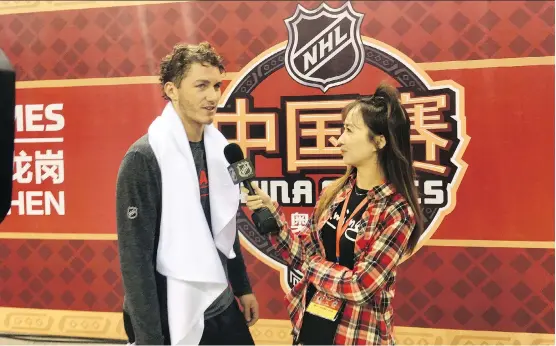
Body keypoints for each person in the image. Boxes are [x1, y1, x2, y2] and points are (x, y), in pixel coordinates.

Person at [244, 83, 424, 345]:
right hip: (313, 329)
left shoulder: (396, 211)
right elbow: (300, 253)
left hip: (356, 335)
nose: (339, 140)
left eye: (349, 130)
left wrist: (313, 265)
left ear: (379, 141)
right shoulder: (335, 192)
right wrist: (271, 213)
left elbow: (361, 285)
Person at [116, 42, 258, 345]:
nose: (213, 96)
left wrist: (242, 287)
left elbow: (224, 223)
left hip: (220, 303)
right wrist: (149, 338)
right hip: (170, 313)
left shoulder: (222, 150)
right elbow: (135, 259)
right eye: (201, 86)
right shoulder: (145, 158)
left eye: (217, 85)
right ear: (172, 90)